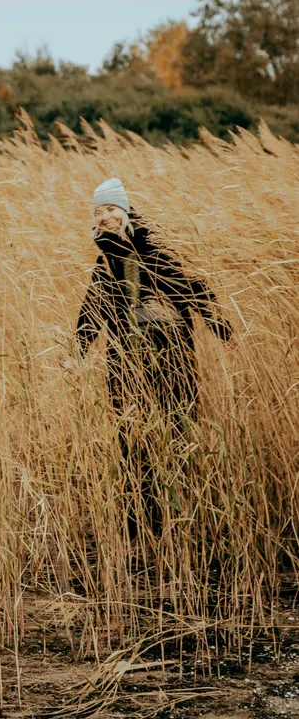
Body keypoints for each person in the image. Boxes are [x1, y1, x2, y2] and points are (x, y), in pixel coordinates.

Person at [74, 177, 232, 537]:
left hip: (170, 362)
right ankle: (139, 522)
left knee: (176, 435)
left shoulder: (155, 250)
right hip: (124, 366)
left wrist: (219, 326)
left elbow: (194, 289)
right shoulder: (106, 264)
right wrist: (78, 350)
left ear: (127, 212)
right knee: (131, 440)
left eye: (111, 208)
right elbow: (92, 311)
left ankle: (179, 520)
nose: (104, 217)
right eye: (98, 212)